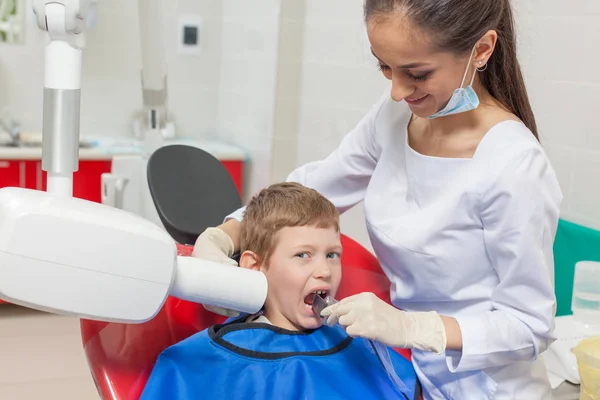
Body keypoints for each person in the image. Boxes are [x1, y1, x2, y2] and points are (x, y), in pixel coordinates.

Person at [193, 1, 563, 398]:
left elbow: (530, 325)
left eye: (417, 73)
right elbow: (312, 191)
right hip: (403, 373)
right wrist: (227, 234)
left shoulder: (514, 165)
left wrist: (416, 328)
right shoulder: (394, 117)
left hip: (485, 388)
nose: (398, 91)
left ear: (482, 50)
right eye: (384, 66)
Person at [141, 182, 420, 400]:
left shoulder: (359, 341)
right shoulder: (199, 364)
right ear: (254, 266)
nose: (324, 270)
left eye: (332, 255)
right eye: (303, 255)